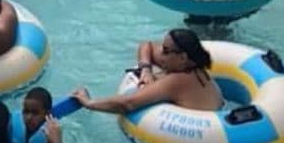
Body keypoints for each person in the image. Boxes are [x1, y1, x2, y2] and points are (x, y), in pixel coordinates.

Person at [73, 29, 223, 115]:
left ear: (182, 57)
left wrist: (89, 103)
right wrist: (146, 69)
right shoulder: (193, 64)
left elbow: (128, 104)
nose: (161, 54)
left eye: (165, 50)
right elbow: (147, 45)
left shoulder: (178, 80)